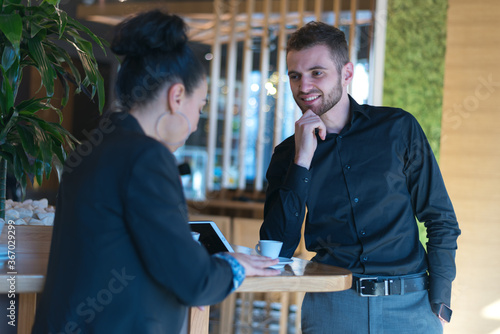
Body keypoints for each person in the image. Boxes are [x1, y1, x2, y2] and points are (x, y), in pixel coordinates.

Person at [32, 10, 279, 334]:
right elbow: (193, 280)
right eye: (200, 106)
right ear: (177, 97)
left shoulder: (92, 148)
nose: (194, 124)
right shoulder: (147, 157)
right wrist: (234, 266)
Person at [260, 21, 461, 334]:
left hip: (410, 307)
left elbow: (441, 219)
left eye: (317, 72)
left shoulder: (398, 128)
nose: (303, 86)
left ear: (347, 73)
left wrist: (439, 298)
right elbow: (278, 249)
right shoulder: (288, 154)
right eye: (294, 75)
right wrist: (302, 160)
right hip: (332, 309)